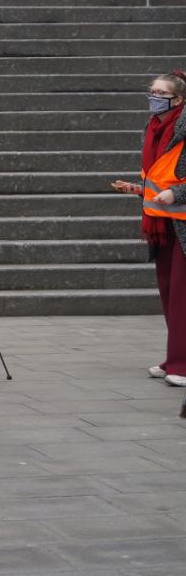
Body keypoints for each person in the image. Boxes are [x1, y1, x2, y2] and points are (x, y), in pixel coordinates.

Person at [112, 71, 186, 387]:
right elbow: (158, 175)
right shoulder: (155, 128)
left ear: (179, 100)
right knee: (170, 292)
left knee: (181, 297)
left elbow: (175, 183)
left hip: (181, 224)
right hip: (162, 223)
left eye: (161, 93)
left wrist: (177, 194)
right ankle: (175, 357)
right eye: (151, 91)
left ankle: (182, 364)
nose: (154, 98)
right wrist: (138, 188)